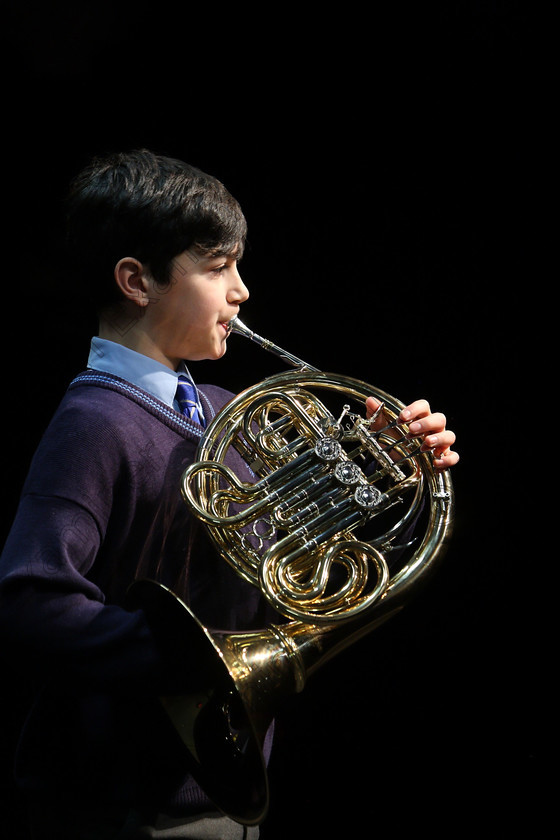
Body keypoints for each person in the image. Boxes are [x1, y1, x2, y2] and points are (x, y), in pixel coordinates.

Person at [0, 149, 459, 840]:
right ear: (136, 280)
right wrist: (194, 658)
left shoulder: (223, 409)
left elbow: (278, 575)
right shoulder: (95, 423)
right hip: (123, 806)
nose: (240, 290)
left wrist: (390, 464)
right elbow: (33, 605)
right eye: (216, 268)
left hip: (221, 786)